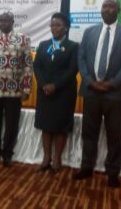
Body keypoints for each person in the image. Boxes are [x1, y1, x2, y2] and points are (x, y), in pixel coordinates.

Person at [74, 0, 121, 187]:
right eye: (104, 6)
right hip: (91, 90)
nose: (107, 9)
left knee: (114, 134)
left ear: (118, 9)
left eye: (111, 6)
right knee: (89, 132)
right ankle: (87, 166)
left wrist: (112, 83)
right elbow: (82, 59)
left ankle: (112, 172)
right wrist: (90, 82)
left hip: (114, 93)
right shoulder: (89, 31)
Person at [0, 12, 33, 167]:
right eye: (1, 20)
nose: (3, 23)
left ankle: (7, 154)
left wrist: (26, 88)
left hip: (14, 91)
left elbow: (28, 65)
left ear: (13, 22)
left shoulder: (23, 39)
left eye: (7, 20)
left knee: (11, 123)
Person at [33, 12, 78, 173]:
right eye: (52, 24)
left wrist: (55, 86)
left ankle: (57, 159)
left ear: (65, 27)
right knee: (46, 125)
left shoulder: (73, 46)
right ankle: (46, 158)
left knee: (60, 127)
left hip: (63, 93)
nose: (55, 28)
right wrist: (44, 84)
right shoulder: (43, 45)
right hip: (44, 92)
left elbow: (73, 70)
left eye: (58, 25)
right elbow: (36, 66)